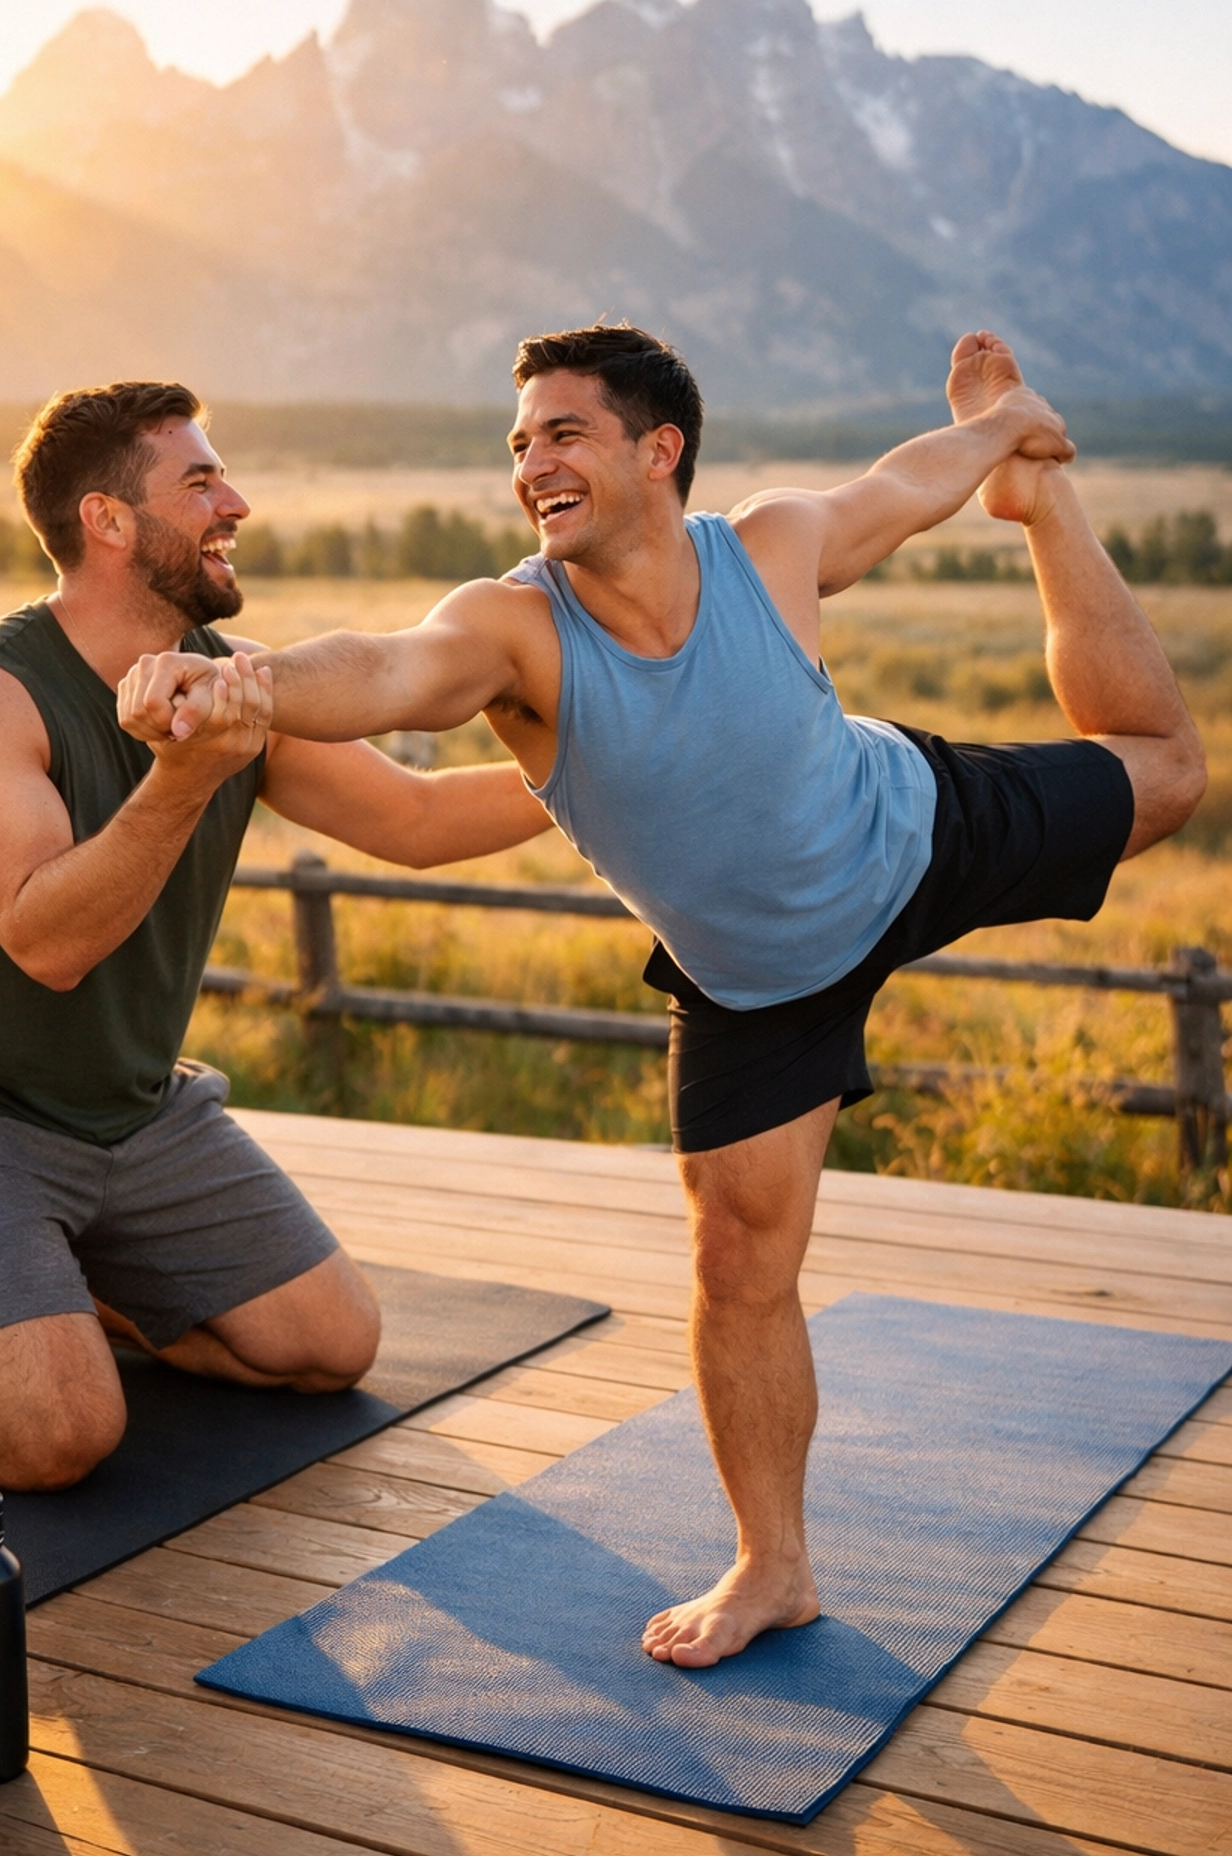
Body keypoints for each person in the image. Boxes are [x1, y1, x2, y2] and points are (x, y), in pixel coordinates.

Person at [119, 325, 1206, 1666]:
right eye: (520, 443)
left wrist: (1003, 440)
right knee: (738, 1263)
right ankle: (774, 1566)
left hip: (914, 831)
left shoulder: (773, 545)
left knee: (1168, 771)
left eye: (563, 433)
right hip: (755, 986)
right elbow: (390, 667)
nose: (532, 464)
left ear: (658, 449)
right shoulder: (514, 628)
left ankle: (1049, 507)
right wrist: (244, 680)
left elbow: (902, 485)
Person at [0, 380, 551, 1489]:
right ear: (106, 519)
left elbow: (417, 820)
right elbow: (50, 942)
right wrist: (185, 776)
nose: (235, 503)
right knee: (55, 1436)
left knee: (329, 1346)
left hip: (126, 1113)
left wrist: (610, 773)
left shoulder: (233, 681)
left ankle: (16, 1284)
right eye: (200, 483)